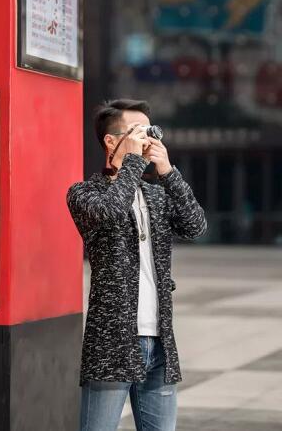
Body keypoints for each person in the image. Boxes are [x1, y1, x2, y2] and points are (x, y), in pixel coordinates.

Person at [66, 98, 207, 431]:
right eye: (137, 132)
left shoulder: (155, 196)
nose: (147, 139)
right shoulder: (84, 193)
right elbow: (111, 211)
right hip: (111, 341)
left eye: (149, 131)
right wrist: (130, 162)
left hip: (160, 341)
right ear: (110, 141)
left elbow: (195, 226)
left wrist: (168, 172)